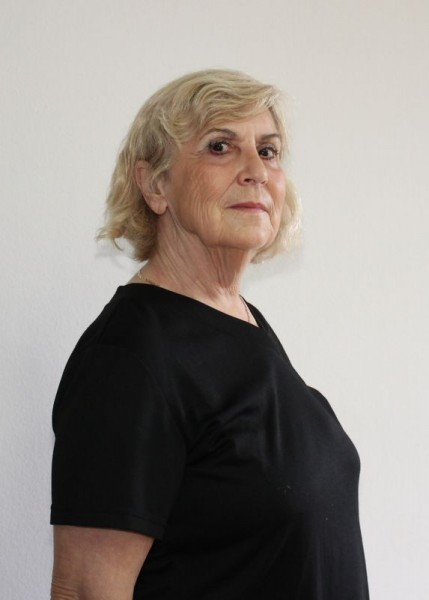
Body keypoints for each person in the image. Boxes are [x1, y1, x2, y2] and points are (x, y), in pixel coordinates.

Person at [50, 69, 370, 600]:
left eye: (268, 151)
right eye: (220, 146)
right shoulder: (129, 357)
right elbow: (84, 590)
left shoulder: (243, 323)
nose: (256, 172)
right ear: (155, 185)